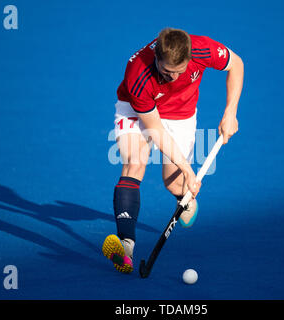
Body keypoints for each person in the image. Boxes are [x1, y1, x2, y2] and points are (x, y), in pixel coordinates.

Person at [102, 27, 244, 273]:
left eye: (179, 72)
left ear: (189, 59)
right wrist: (189, 169)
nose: (173, 78)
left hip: (181, 112)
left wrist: (230, 112)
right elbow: (155, 130)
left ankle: (183, 198)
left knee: (174, 182)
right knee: (134, 162)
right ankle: (126, 246)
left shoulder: (203, 49)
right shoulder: (138, 75)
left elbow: (237, 64)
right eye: (167, 71)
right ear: (157, 56)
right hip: (138, 108)